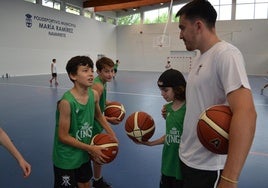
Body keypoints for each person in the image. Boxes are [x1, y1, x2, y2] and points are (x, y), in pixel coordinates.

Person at [175, 1, 257, 188]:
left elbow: (247, 113)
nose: (180, 35)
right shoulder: (199, 56)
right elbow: (201, 100)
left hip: (209, 166)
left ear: (198, 26)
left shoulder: (226, 54)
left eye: (182, 28)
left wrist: (229, 179)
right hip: (188, 157)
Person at [52, 56, 118, 188]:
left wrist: (112, 135)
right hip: (67, 157)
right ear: (73, 75)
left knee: (85, 184)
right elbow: (63, 136)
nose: (90, 74)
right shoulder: (67, 102)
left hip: (83, 153)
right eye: (85, 70)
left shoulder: (93, 95)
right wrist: (91, 148)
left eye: (91, 70)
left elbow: (99, 116)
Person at [139, 69, 186, 188]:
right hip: (167, 164)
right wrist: (150, 143)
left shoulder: (189, 108)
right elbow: (170, 135)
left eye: (166, 90)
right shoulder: (167, 108)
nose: (162, 94)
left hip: (183, 167)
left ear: (178, 88)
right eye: (161, 90)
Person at [91, 56, 121, 188]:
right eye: (107, 71)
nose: (111, 74)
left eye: (112, 71)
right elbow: (92, 111)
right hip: (90, 126)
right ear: (98, 72)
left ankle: (97, 180)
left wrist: (112, 105)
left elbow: (99, 102)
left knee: (98, 154)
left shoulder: (102, 83)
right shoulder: (98, 86)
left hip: (96, 126)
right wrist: (110, 122)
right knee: (92, 154)